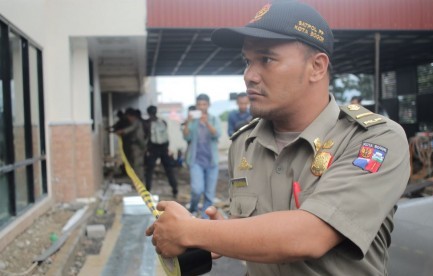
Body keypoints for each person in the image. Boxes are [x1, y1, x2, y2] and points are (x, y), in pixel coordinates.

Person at [146, 1, 410, 275]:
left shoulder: (375, 140)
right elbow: (254, 231)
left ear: (317, 67)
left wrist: (194, 231)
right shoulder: (245, 144)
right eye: (247, 61)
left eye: (266, 59)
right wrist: (220, 233)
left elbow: (310, 235)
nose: (249, 75)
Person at [182, 94, 222, 218]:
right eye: (199, 104)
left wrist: (207, 124)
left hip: (211, 162)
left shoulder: (214, 119)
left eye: (204, 104)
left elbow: (217, 135)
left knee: (209, 194)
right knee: (197, 189)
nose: (202, 107)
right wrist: (188, 122)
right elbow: (186, 136)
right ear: (196, 105)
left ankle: (205, 216)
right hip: (196, 161)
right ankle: (193, 208)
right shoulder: (193, 121)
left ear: (208, 105)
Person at [144, 105, 179, 197]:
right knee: (169, 169)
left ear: (148, 112)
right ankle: (175, 189)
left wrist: (146, 149)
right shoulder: (162, 122)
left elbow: (146, 137)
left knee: (149, 170)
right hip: (164, 148)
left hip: (152, 148)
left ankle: (148, 190)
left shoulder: (147, 123)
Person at [116, 108, 146, 181]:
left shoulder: (136, 122)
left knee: (137, 164)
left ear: (131, 116)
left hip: (138, 145)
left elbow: (130, 129)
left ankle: (140, 180)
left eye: (128, 117)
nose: (128, 119)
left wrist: (122, 131)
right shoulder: (135, 122)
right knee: (134, 163)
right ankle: (137, 179)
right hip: (135, 145)